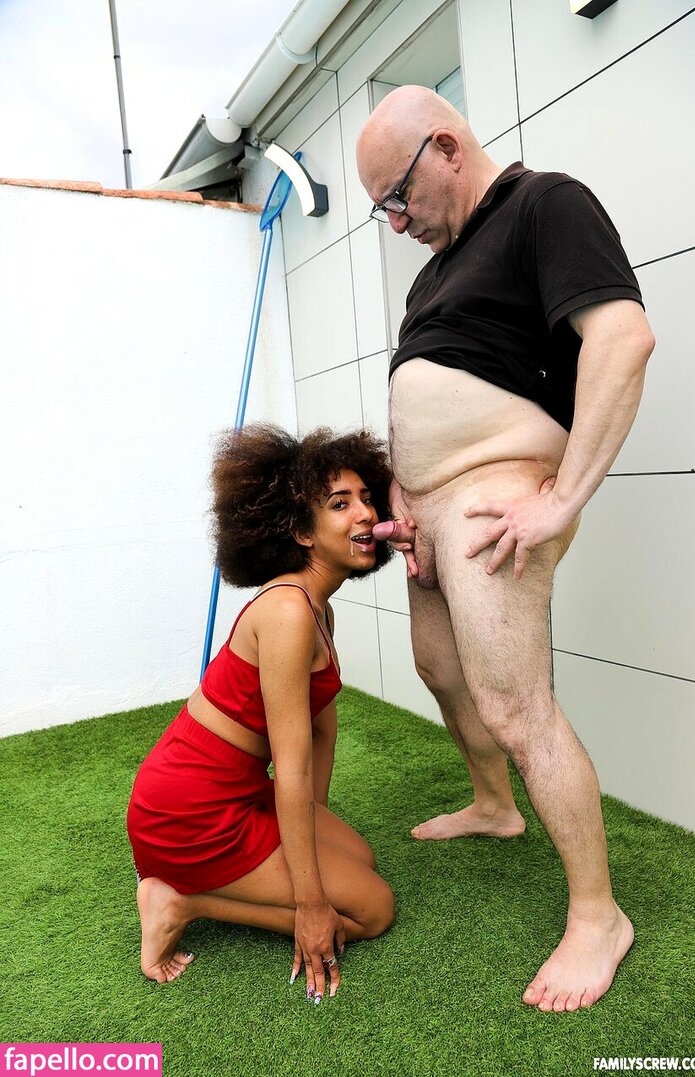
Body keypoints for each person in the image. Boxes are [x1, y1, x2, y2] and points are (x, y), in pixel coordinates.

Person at [356, 85, 655, 1012]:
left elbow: (622, 338)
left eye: (398, 196)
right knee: (441, 669)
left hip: (495, 497)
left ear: (446, 147)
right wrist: (404, 491)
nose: (395, 220)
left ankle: (599, 915)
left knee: (517, 706)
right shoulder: (432, 273)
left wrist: (563, 499)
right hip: (431, 512)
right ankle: (495, 807)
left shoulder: (543, 204)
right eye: (381, 208)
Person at [126, 424, 395, 1000]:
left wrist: (313, 840)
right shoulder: (288, 611)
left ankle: (211, 888)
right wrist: (310, 900)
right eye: (340, 504)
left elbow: (322, 735)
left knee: (361, 858)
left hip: (242, 793)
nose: (366, 514)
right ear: (301, 531)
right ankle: (181, 900)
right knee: (372, 910)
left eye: (367, 498)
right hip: (189, 813)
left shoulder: (318, 608)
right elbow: (290, 768)